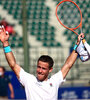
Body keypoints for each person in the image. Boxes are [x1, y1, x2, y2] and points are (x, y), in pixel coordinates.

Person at [0, 25, 87, 100]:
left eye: (44, 68)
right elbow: (13, 65)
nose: (40, 70)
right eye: (39, 67)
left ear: (50, 69)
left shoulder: (55, 81)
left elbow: (68, 65)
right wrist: (5, 43)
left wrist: (77, 45)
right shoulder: (29, 80)